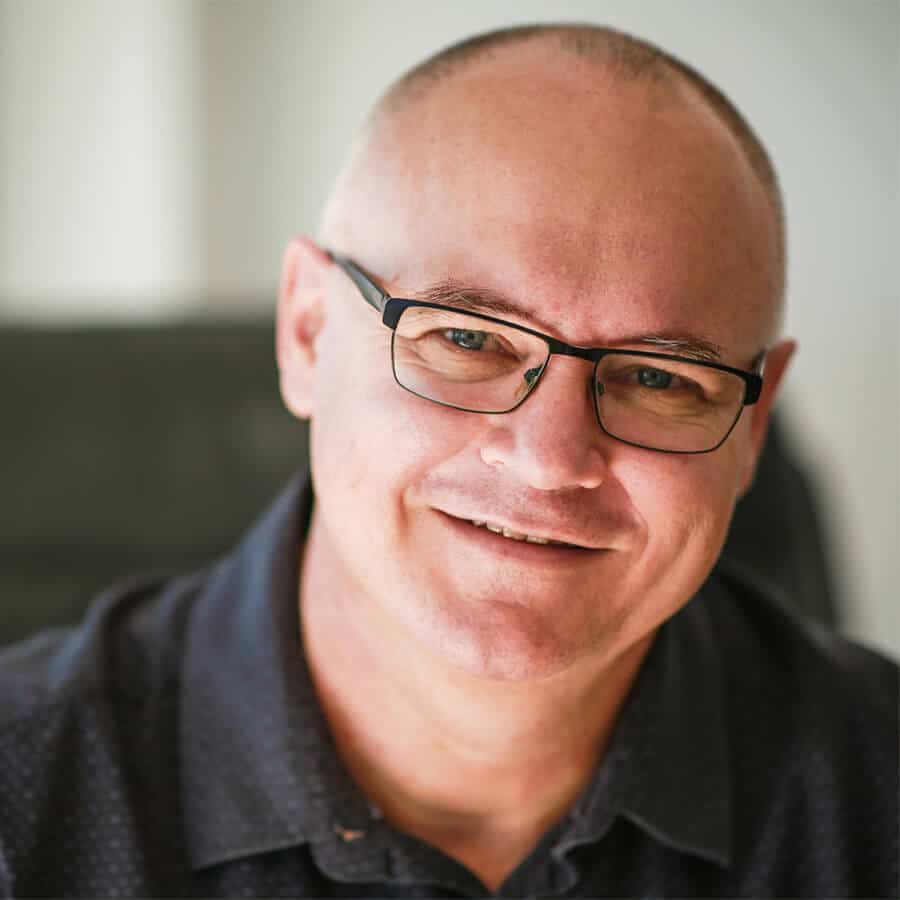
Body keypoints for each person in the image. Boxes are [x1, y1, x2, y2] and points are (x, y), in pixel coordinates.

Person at [0, 23, 896, 899]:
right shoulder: (24, 804)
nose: (550, 461)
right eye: (467, 337)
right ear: (308, 331)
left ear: (753, 424)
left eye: (659, 377)